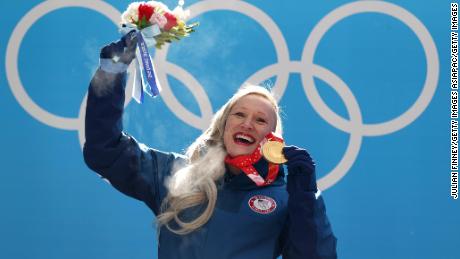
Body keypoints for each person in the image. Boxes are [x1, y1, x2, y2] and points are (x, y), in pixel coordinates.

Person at [83, 31, 337, 259]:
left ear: (272, 138)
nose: (247, 124)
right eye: (239, 115)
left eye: (260, 120)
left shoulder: (285, 196)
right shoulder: (177, 174)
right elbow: (104, 149)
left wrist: (306, 199)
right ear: (223, 125)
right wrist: (111, 74)